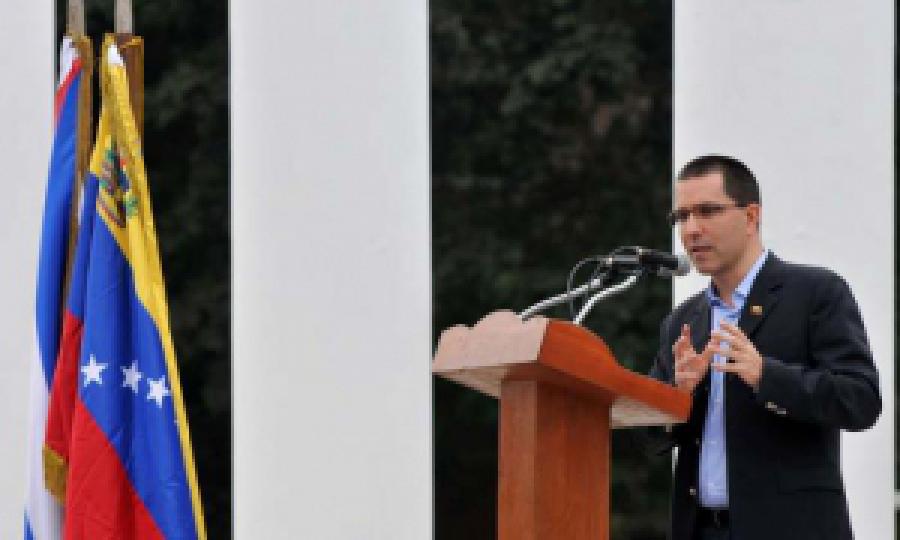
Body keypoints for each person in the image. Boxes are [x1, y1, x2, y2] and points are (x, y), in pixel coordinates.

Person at [648, 155, 881, 540]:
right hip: (701, 529)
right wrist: (678, 396)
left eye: (708, 211)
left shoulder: (815, 293)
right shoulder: (683, 321)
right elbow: (651, 434)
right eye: (682, 216)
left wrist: (766, 376)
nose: (691, 229)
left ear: (751, 216)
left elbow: (861, 400)